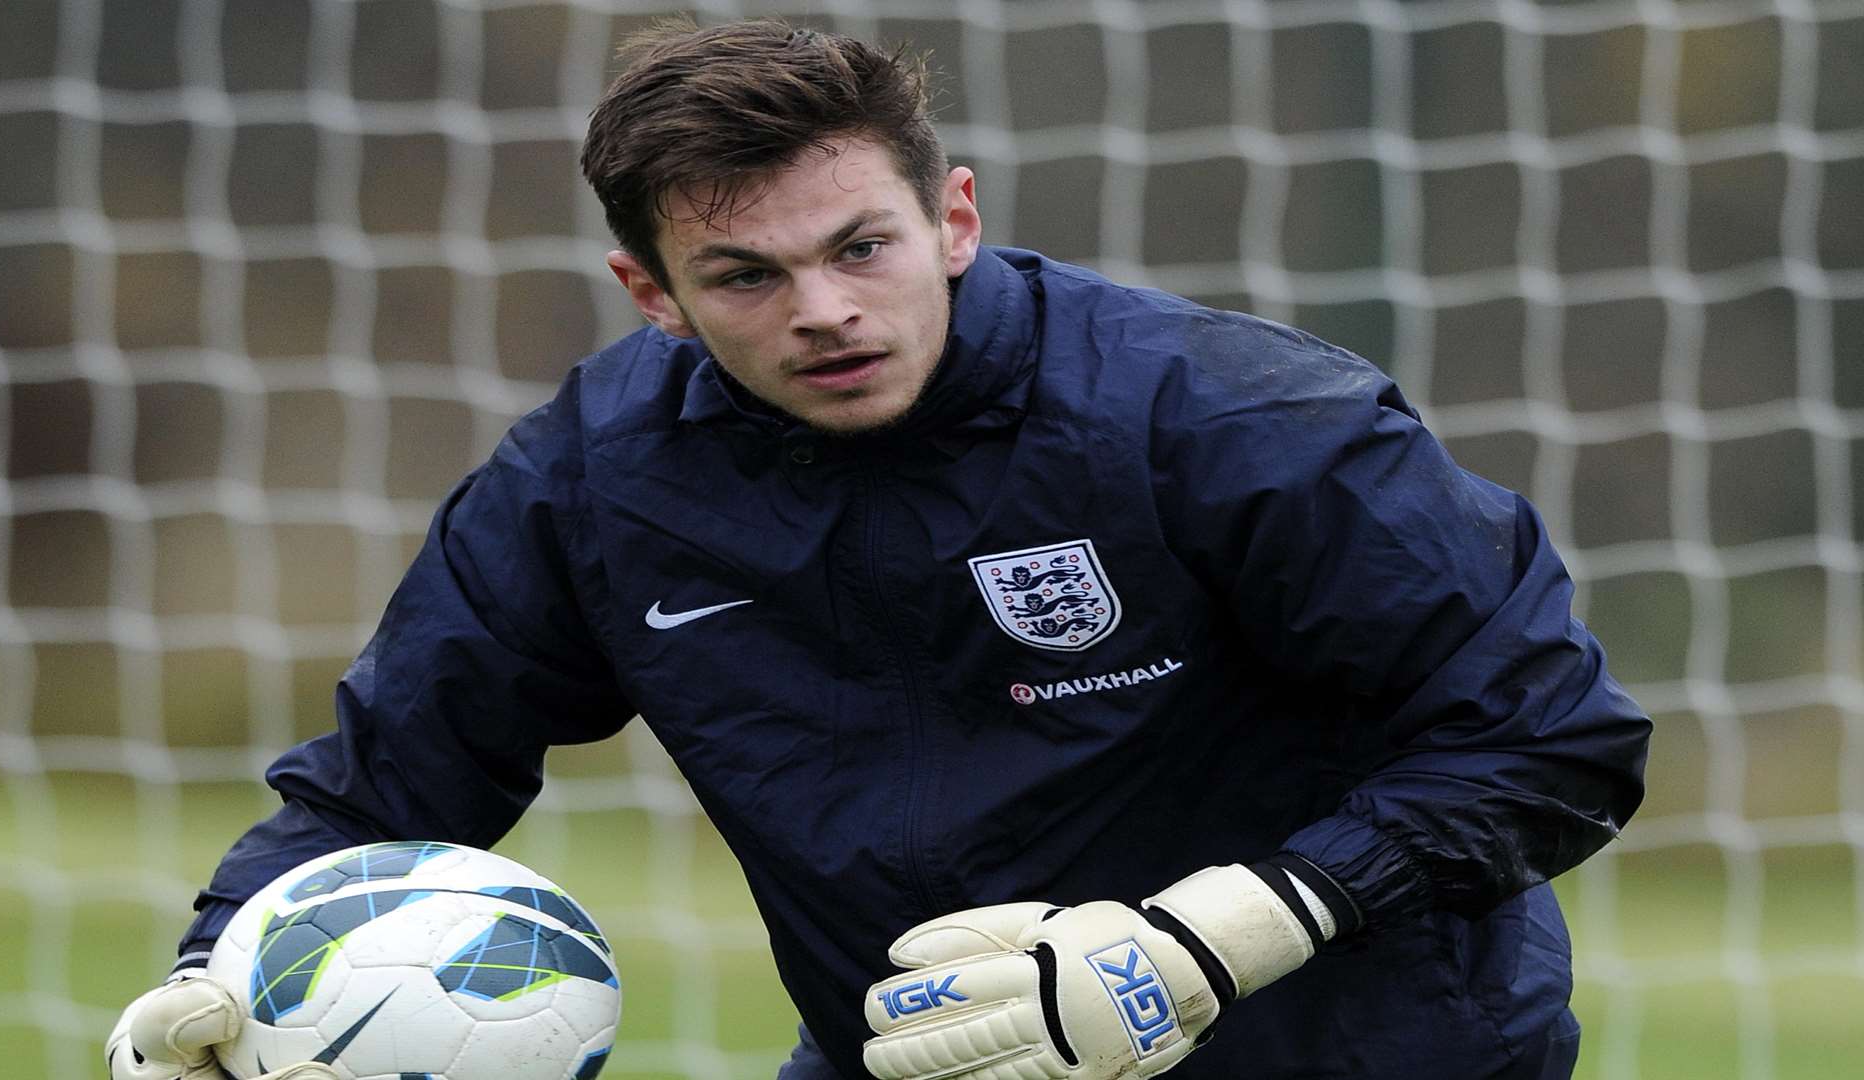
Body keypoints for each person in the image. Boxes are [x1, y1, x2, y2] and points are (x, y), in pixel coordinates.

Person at [106, 17, 1651, 1080]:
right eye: (747, 275)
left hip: (1355, 1054)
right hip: (912, 1057)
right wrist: (217, 979)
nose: (825, 310)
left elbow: (1548, 736)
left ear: (953, 218)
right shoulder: (598, 478)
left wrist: (1202, 944)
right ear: (653, 292)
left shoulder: (1228, 416)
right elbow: (387, 783)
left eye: (861, 248)